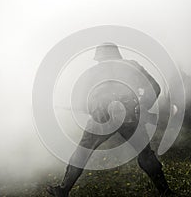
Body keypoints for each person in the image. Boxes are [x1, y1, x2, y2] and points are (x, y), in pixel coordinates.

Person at [47, 43, 173, 197]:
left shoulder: (93, 72)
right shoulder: (132, 66)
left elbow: (81, 100)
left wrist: (93, 109)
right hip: (129, 117)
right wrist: (141, 105)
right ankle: (165, 192)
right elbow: (155, 87)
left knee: (81, 154)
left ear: (99, 58)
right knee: (146, 155)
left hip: (102, 121)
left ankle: (63, 190)